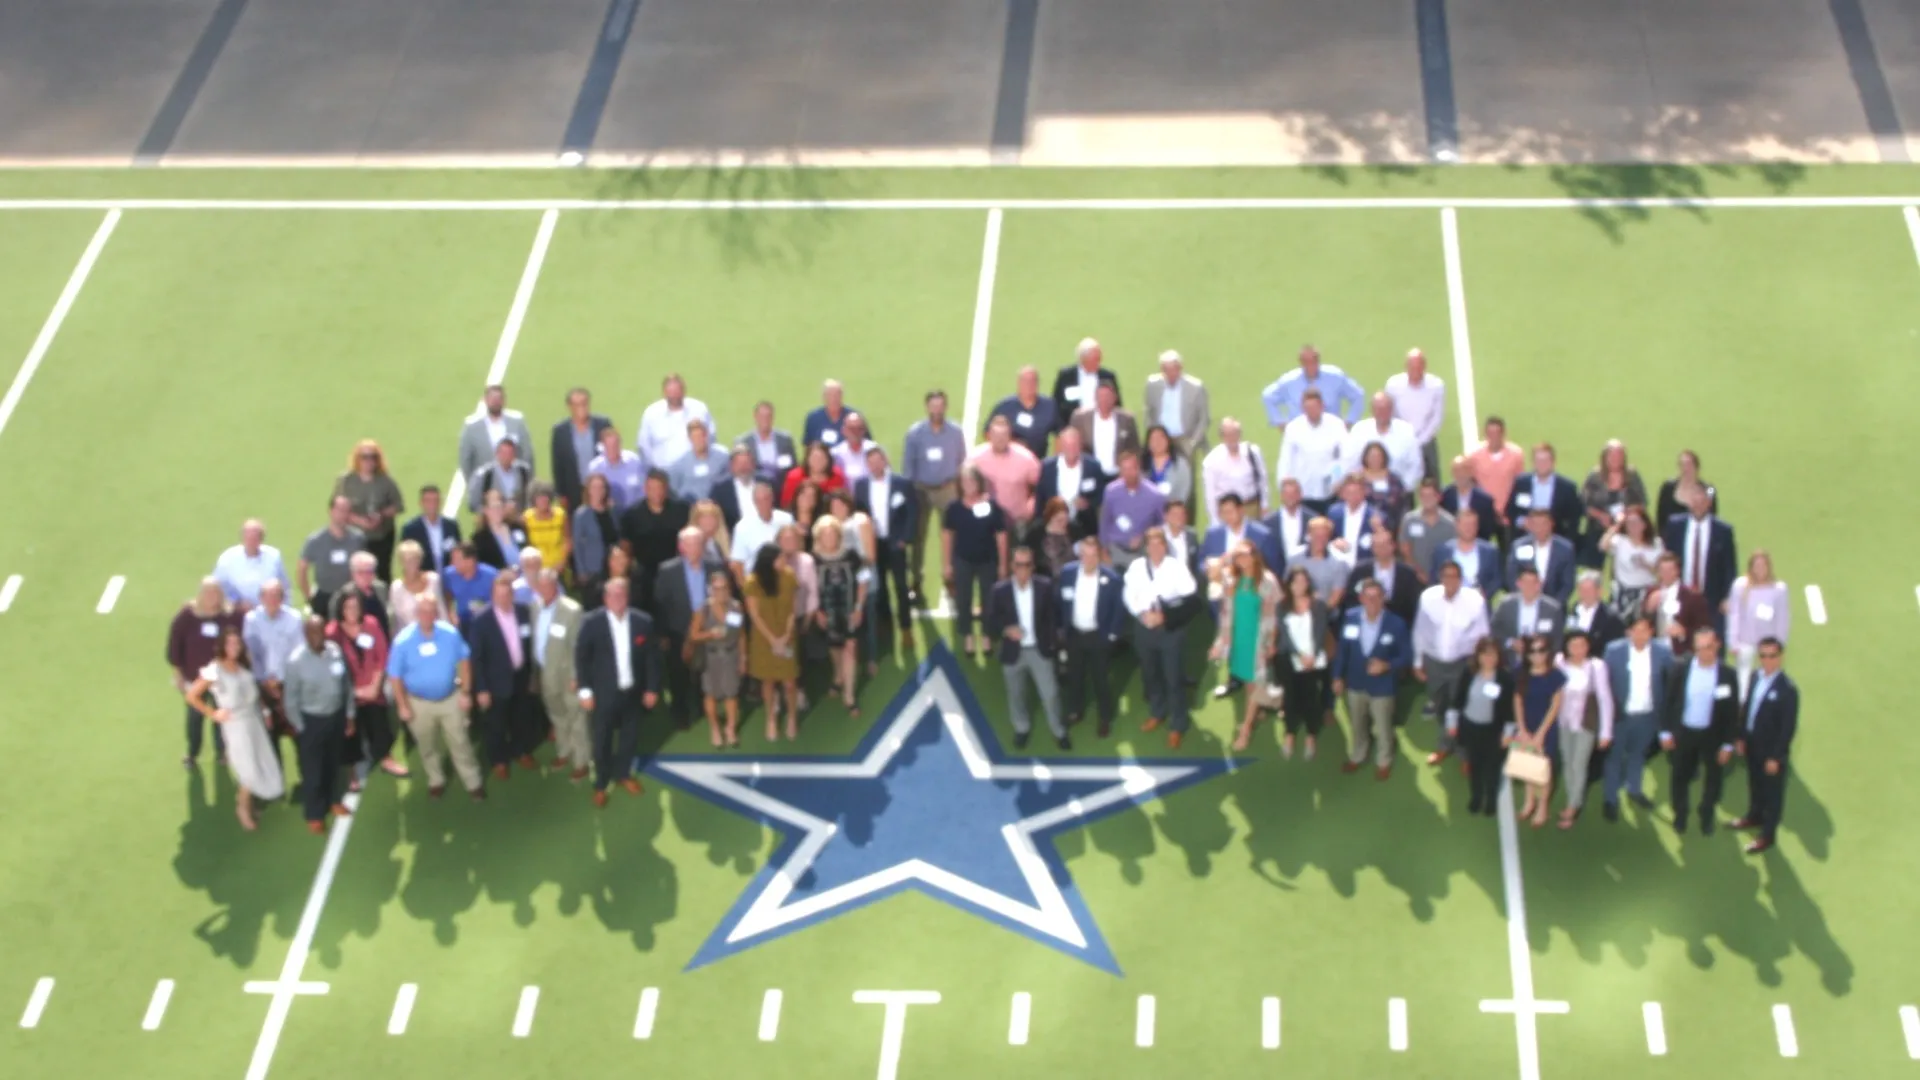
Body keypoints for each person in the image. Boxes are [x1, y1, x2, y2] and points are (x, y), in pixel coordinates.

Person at [386, 592, 484, 801]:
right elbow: (395, 676)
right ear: (416, 614)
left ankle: (473, 781)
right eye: (422, 611)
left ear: (437, 613)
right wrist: (402, 705)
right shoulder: (403, 641)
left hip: (450, 698)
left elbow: (465, 662)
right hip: (418, 703)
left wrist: (466, 692)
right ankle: (436, 780)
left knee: (460, 742)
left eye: (431, 612)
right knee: (427, 745)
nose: (427, 616)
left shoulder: (450, 633)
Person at [573, 577, 661, 806]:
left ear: (627, 597)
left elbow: (652, 658)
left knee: (629, 738)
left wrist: (652, 688)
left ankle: (623, 774)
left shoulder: (643, 622)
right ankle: (601, 784)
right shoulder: (592, 622)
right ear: (605, 598)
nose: (617, 599)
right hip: (603, 695)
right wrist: (585, 691)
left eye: (621, 595)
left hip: (632, 693)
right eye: (612, 595)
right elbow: (581, 659)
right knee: (601, 741)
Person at [185, 626, 285, 828]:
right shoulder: (215, 668)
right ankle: (242, 807)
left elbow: (255, 694)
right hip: (236, 724)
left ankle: (250, 803)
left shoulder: (242, 667)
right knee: (247, 767)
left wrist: (264, 712)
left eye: (237, 643)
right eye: (230, 643)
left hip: (253, 720)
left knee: (258, 760)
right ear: (222, 645)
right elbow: (192, 695)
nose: (234, 647)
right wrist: (213, 713)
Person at [1124, 527, 1202, 749]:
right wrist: (1141, 614)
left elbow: (1190, 597)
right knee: (1150, 674)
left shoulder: (1176, 568)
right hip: (1144, 628)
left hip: (1169, 630)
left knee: (1173, 677)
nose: (1155, 548)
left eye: (1159, 544)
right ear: (1146, 547)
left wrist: (1164, 617)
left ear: (1165, 546)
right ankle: (1157, 712)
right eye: (1151, 544)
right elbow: (1129, 594)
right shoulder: (1137, 567)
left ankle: (1178, 724)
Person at [1659, 627, 1739, 835]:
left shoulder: (1727, 674)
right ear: (1694, 648)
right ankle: (1681, 814)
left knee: (1714, 778)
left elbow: (1732, 712)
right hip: (1684, 732)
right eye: (1700, 648)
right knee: (1679, 776)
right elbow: (1669, 701)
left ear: (1717, 646)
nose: (1705, 652)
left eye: (1709, 647)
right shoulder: (1681, 668)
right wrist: (1665, 732)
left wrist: (1728, 744)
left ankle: (1707, 814)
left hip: (1712, 735)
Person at [987, 545, 1068, 750]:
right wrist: (1006, 630)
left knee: (1050, 694)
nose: (1023, 569)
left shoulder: (1045, 587)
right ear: (1012, 566)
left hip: (1039, 650)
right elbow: (990, 622)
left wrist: (1054, 642)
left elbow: (1055, 617)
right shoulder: (1000, 591)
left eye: (1027, 565)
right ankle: (1021, 728)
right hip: (1013, 652)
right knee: (1016, 694)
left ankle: (1059, 730)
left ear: (1033, 567)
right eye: (1019, 565)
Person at [282, 614, 356, 833]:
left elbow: (346, 684)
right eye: (312, 632)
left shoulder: (334, 651)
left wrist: (349, 714)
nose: (317, 636)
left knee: (333, 764)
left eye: (320, 631)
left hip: (335, 717)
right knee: (313, 771)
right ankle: (314, 814)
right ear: (305, 634)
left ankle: (334, 801)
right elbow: (290, 699)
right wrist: (301, 726)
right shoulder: (296, 661)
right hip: (311, 721)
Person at [1333, 576, 1413, 777]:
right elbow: (1343, 650)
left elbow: (1407, 656)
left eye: (1377, 597)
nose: (1373, 602)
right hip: (1355, 683)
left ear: (1384, 598)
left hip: (1383, 686)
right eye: (1368, 597)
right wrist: (1337, 677)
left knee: (1383, 726)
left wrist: (1386, 665)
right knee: (1357, 724)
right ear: (1361, 599)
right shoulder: (1351, 617)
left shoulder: (1396, 624)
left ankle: (1384, 760)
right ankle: (1358, 755)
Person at [1413, 560, 1490, 765]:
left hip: (1462, 663)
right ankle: (1445, 745)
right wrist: (1417, 661)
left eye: (1454, 576)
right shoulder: (1428, 598)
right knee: (1441, 707)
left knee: (1462, 708)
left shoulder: (1475, 601)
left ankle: (1465, 753)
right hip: (1434, 663)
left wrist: (1482, 666)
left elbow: (1483, 635)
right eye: (1446, 576)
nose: (1450, 581)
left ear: (1461, 579)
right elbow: (1420, 630)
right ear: (1440, 578)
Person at [1601, 615, 1674, 822]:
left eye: (1645, 630)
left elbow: (1671, 682)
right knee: (1614, 758)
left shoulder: (1663, 652)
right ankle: (1610, 799)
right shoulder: (1613, 651)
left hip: (1647, 716)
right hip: (1620, 716)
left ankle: (1634, 789)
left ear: (1652, 632)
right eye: (1636, 630)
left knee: (1638, 755)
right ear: (1628, 632)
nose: (1640, 635)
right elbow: (1605, 683)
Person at [649, 526, 721, 729]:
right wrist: (662, 633)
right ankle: (680, 712)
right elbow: (660, 603)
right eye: (689, 544)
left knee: (704, 672)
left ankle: (702, 708)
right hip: (677, 631)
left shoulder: (715, 566)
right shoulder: (667, 570)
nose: (694, 548)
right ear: (681, 547)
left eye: (698, 543)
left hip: (707, 630)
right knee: (678, 674)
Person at [468, 572, 539, 779]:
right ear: (492, 596)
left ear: (513, 594)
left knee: (521, 717)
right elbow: (477, 658)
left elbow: (529, 643)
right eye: (499, 595)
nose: (504, 599)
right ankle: (499, 760)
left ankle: (520, 751)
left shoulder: (523, 612)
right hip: (495, 682)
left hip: (520, 676)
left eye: (507, 594)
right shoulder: (482, 621)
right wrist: (481, 688)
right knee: (495, 724)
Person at [1731, 637, 1797, 854]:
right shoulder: (1755, 677)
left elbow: (1787, 729)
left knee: (1773, 794)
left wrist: (1775, 757)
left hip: (1770, 752)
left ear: (1781, 657)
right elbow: (1747, 708)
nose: (1767, 661)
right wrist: (1741, 737)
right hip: (1752, 744)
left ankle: (1767, 836)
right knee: (1755, 784)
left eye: (1772, 656)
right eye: (1763, 656)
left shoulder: (1787, 690)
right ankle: (1754, 816)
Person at [169, 577, 243, 767]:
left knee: (222, 717)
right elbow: (175, 645)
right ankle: (192, 753)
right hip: (196, 680)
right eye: (208, 592)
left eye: (216, 592)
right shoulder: (188, 615)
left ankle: (222, 753)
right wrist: (178, 674)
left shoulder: (231, 616)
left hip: (223, 679)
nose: (212, 597)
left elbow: (242, 642)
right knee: (195, 718)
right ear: (200, 594)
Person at [902, 389, 968, 603]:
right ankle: (916, 582)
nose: (937, 410)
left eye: (940, 406)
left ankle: (951, 581)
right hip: (921, 490)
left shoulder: (955, 432)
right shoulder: (915, 433)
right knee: (918, 538)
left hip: (948, 488)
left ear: (945, 408)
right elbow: (908, 466)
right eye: (933, 406)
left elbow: (962, 461)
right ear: (927, 407)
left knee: (952, 536)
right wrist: (910, 494)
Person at [1214, 540, 1281, 749]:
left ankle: (1245, 730)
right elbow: (1213, 573)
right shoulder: (1232, 578)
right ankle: (1259, 708)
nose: (1242, 560)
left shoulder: (1267, 580)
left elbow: (1273, 615)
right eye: (1238, 556)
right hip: (1238, 638)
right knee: (1247, 680)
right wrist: (1228, 555)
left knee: (1256, 680)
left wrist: (1271, 642)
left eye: (1246, 554)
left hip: (1257, 639)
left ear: (1255, 555)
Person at [1056, 535, 1124, 736]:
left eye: (1094, 555)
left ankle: (1104, 717)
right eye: (1085, 555)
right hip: (1075, 635)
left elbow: (1118, 611)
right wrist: (1062, 629)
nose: (1089, 560)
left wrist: (1111, 636)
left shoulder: (1112, 579)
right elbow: (1060, 601)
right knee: (1075, 676)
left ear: (1100, 556)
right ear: (1080, 555)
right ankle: (1075, 711)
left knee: (1100, 679)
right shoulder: (1067, 573)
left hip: (1098, 637)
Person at [330, 589, 400, 780]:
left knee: (378, 719)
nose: (352, 611)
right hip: (349, 693)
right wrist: (355, 693)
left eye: (356, 606)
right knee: (349, 728)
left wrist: (375, 687)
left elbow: (382, 655)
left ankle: (386, 757)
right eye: (347, 607)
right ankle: (352, 773)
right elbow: (333, 670)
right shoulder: (333, 633)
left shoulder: (371, 624)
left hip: (372, 687)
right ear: (340, 609)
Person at [1268, 566, 1334, 760]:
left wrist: (1312, 655)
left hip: (1313, 659)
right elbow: (1285, 636)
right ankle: (1290, 734)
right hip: (1289, 659)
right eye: (1296, 582)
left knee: (1311, 696)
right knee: (1290, 697)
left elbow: (1321, 631)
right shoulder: (1282, 606)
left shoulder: (1318, 605)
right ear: (1289, 584)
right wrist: (1300, 655)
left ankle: (1311, 736)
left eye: (1304, 581)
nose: (1300, 586)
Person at [530, 568, 589, 781]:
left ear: (556, 586)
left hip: (567, 676)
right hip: (546, 675)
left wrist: (576, 676)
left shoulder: (572, 610)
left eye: (548, 585)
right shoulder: (535, 606)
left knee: (576, 718)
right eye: (541, 585)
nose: (544, 589)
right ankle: (564, 752)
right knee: (557, 717)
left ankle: (581, 761)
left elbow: (577, 646)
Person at [1445, 637, 1515, 817]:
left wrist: (1507, 733)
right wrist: (1452, 722)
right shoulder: (1469, 673)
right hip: (1471, 728)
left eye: (1493, 654)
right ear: (1478, 656)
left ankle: (1491, 799)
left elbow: (1509, 710)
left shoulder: (1505, 679)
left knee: (1492, 768)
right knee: (1475, 766)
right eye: (1485, 654)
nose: (1488, 659)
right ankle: (1476, 797)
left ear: (1499, 657)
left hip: (1493, 731)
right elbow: (1458, 700)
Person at [855, 446, 916, 652]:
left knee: (901, 587)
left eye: (878, 461)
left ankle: (906, 628)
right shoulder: (861, 485)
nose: (875, 465)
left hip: (895, 543)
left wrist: (904, 539)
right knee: (880, 589)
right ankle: (887, 629)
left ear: (885, 461)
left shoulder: (902, 483)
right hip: (874, 544)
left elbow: (912, 512)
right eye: (870, 462)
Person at [943, 466, 1009, 656]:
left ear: (979, 483)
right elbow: (947, 535)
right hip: (962, 560)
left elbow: (1001, 536)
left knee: (989, 600)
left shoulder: (991, 506)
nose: (968, 485)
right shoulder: (954, 508)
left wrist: (1003, 564)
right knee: (963, 600)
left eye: (972, 481)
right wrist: (947, 564)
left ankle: (987, 637)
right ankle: (968, 637)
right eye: (964, 482)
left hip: (987, 560)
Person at [1554, 629, 1612, 829]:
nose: (1578, 649)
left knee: (1579, 764)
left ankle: (1573, 805)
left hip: (1585, 724)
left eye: (1582, 645)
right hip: (1563, 723)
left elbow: (1605, 699)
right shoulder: (1559, 663)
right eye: (1573, 645)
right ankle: (1573, 797)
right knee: (1567, 761)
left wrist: (1606, 731)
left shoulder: (1596, 667)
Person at [744, 546, 802, 741]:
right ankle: (770, 718)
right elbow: (754, 614)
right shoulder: (753, 582)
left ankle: (792, 717)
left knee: (790, 682)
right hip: (764, 639)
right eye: (780, 559)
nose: (783, 562)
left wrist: (786, 635)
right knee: (767, 681)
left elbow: (793, 609)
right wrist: (772, 640)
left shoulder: (789, 576)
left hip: (786, 636)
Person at [811, 517, 869, 714]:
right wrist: (817, 611)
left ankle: (849, 695)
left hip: (849, 610)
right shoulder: (813, 559)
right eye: (825, 534)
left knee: (850, 647)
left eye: (833, 533)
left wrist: (859, 606)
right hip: (827, 612)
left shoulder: (851, 556)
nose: (829, 537)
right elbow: (809, 588)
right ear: (818, 537)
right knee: (834, 647)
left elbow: (863, 581)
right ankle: (838, 674)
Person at [687, 570, 747, 747]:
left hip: (731, 655)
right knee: (711, 695)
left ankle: (730, 728)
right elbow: (694, 636)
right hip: (711, 656)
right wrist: (710, 634)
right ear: (710, 590)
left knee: (732, 694)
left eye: (724, 588)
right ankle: (714, 728)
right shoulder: (703, 610)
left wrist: (743, 658)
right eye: (717, 588)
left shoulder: (736, 607)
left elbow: (741, 635)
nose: (721, 592)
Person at [1511, 634, 1565, 828]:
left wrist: (1541, 733)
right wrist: (1523, 729)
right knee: (1527, 765)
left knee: (1544, 769)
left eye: (1541, 650)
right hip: (1526, 726)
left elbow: (1555, 705)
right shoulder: (1520, 672)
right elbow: (1517, 700)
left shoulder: (1555, 675)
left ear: (1548, 652)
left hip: (1546, 728)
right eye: (1532, 651)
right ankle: (1529, 801)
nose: (1536, 655)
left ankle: (1542, 807)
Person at [335, 440, 404, 583]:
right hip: (353, 537)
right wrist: (358, 520)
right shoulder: (346, 481)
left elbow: (398, 505)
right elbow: (337, 507)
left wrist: (381, 515)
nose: (369, 461)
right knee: (353, 573)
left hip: (381, 537)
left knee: (382, 573)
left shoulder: (385, 481)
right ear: (357, 458)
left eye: (373, 457)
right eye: (365, 457)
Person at [1661, 487, 1738, 615]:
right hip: (1679, 599)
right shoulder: (1675, 526)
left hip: (1712, 601)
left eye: (1702, 502)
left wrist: (1728, 597)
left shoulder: (1723, 531)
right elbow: (1667, 559)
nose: (1698, 506)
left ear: (1709, 503)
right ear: (1689, 502)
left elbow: (1729, 567)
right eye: (1695, 502)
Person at [243, 579, 305, 737]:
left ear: (283, 598)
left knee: (295, 727)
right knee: (269, 730)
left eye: (277, 595)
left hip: (288, 682)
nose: (272, 600)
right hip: (262, 682)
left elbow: (298, 652)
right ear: (261, 598)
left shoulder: (294, 618)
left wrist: (282, 680)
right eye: (268, 596)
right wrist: (266, 680)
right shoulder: (252, 619)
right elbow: (252, 652)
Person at [618, 471, 690, 600]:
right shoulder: (632, 514)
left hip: (674, 569)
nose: (656, 492)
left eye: (659, 488)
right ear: (645, 489)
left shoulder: (681, 510)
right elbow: (625, 545)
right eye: (651, 488)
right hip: (644, 572)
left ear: (666, 489)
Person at [1726, 550, 1789, 696]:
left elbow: (1783, 618)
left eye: (1763, 566)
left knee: (1768, 681)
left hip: (1768, 645)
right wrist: (1733, 641)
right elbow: (1734, 614)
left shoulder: (1778, 589)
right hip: (1746, 643)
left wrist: (1779, 643)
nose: (1760, 569)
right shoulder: (1740, 586)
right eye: (1757, 566)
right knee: (1743, 683)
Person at [1276, 389, 1347, 516]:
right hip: (1304, 491)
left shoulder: (1336, 425)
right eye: (1307, 408)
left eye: (1314, 407)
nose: (1311, 411)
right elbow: (1286, 459)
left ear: (1322, 406)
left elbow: (1343, 456)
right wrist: (1284, 486)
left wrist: (1339, 480)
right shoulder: (1293, 428)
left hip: (1331, 490)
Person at [1577, 439, 1647, 567]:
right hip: (1597, 529)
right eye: (1612, 455)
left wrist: (1625, 516)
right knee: (1594, 565)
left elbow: (1641, 502)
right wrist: (1600, 516)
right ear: (1604, 457)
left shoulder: (1632, 476)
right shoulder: (1594, 477)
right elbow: (1584, 503)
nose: (1616, 459)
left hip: (1626, 530)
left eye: (1619, 455)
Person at [1260, 344, 1365, 427]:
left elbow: (1358, 395)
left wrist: (1349, 421)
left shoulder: (1335, 377)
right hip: (1300, 434)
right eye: (1306, 362)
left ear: (1318, 360)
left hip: (1331, 432)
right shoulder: (1289, 381)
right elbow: (1268, 396)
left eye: (1313, 361)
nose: (1310, 365)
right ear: (1300, 363)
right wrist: (1280, 422)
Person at [1383, 348, 1446, 485]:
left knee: (1432, 480)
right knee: (1400, 479)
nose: (1416, 371)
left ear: (1425, 366)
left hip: (1426, 440)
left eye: (1419, 367)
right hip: (1401, 439)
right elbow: (1390, 413)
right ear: (1406, 367)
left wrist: (1420, 440)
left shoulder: (1436, 385)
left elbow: (1436, 418)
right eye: (1412, 367)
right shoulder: (1393, 385)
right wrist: (1404, 437)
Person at [1097, 449, 1166, 573]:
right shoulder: (1111, 492)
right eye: (1124, 469)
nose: (1128, 473)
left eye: (1131, 469)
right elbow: (1104, 522)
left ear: (1138, 468)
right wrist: (1103, 550)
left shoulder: (1154, 495)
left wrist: (1144, 537)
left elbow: (1161, 525)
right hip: (1116, 550)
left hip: (1143, 552)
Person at [969, 415, 1041, 533]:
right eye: (996, 435)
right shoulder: (976, 458)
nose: (1000, 440)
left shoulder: (1026, 459)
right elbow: (964, 486)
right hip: (985, 519)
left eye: (1004, 435)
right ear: (989, 435)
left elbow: (1041, 485)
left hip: (1017, 521)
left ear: (1010, 436)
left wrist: (1031, 506)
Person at [298, 495, 365, 618]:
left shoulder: (358, 539)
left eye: (347, 511)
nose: (343, 515)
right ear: (331, 511)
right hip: (324, 596)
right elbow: (302, 568)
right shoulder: (316, 540)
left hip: (350, 597)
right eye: (340, 510)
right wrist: (308, 596)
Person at [1341, 392, 1422, 492]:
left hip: (1398, 493)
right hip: (1365, 494)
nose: (1382, 412)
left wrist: (1402, 488)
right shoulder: (1359, 430)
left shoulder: (1406, 430)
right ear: (1372, 410)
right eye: (1378, 408)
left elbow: (1416, 465)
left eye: (1386, 408)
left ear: (1392, 409)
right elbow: (1349, 462)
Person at [1037, 426, 1106, 540]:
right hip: (1053, 527)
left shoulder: (1093, 467)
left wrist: (1087, 503)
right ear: (1061, 446)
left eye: (1074, 445)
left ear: (1080, 445)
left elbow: (1100, 496)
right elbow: (1040, 498)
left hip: (1083, 527)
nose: (1071, 450)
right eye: (1067, 446)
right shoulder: (1047, 467)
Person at [550, 387, 612, 511]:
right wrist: (561, 494)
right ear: (569, 406)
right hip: (574, 490)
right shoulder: (560, 431)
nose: (582, 407)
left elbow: (611, 453)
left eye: (584, 403)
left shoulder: (602, 424)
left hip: (600, 489)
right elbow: (558, 464)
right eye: (577, 404)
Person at [457, 384, 535, 482]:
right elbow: (465, 460)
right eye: (492, 399)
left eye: (499, 398)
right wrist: (474, 485)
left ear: (504, 401)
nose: (496, 402)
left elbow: (527, 453)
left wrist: (527, 480)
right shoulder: (471, 426)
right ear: (485, 400)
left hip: (515, 484)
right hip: (485, 485)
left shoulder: (517, 422)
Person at [1143, 350, 1211, 460]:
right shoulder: (1152, 385)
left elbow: (1204, 419)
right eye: (1166, 370)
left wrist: (1192, 443)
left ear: (1180, 368)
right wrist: (1153, 438)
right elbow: (1148, 412)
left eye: (1173, 369)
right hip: (1162, 440)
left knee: (1185, 475)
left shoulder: (1195, 388)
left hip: (1185, 440)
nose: (1170, 374)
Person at [1203, 494, 1280, 589]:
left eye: (1230, 511)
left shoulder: (1262, 535)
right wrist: (1211, 568)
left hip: (1255, 592)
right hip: (1224, 593)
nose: (1227, 516)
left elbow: (1274, 566)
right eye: (1223, 512)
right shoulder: (1213, 535)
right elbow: (1201, 563)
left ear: (1241, 510)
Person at [636, 373, 713, 469]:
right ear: (664, 392)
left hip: (693, 470)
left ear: (683, 390)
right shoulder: (652, 414)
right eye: (670, 392)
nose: (674, 396)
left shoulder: (699, 409)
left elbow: (711, 438)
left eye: (677, 391)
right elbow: (644, 446)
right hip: (663, 473)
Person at [1464, 417, 1527, 535]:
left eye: (1496, 433)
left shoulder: (1516, 455)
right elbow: (1472, 483)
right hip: (1483, 513)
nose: (1493, 437)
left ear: (1503, 433)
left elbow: (1519, 483)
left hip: (1506, 513)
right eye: (1490, 433)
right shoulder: (1475, 456)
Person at [1347, 528, 1420, 627]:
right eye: (1377, 546)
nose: (1381, 549)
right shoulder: (1360, 571)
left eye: (1384, 545)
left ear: (1393, 546)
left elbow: (1412, 604)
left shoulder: (1407, 573)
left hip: (1398, 624)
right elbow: (1352, 597)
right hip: (1365, 622)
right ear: (1372, 548)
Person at [1510, 443, 1582, 543]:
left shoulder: (1567, 488)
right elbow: (1510, 510)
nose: (1542, 465)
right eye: (1538, 461)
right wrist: (1522, 522)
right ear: (1533, 463)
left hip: (1555, 539)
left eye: (1545, 461)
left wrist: (1566, 542)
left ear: (1553, 462)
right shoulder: (1521, 483)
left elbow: (1574, 518)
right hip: (1525, 537)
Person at [1200, 417, 1269, 519]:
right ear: (1222, 436)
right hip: (1228, 512)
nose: (1232, 438)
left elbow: (1262, 481)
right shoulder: (1211, 461)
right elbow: (1210, 495)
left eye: (1235, 433)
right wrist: (1215, 521)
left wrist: (1265, 505)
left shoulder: (1253, 453)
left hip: (1251, 507)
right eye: (1228, 435)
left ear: (1240, 434)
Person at [1600, 505, 1662, 618]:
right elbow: (1603, 545)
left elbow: (1661, 572)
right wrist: (1617, 525)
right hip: (1623, 591)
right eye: (1629, 523)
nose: (1633, 526)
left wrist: (1646, 565)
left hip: (1646, 591)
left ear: (1644, 524)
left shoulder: (1656, 544)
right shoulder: (1620, 541)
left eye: (1636, 522)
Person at [1069, 381, 1141, 478]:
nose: (1104, 400)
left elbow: (1134, 448)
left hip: (1118, 475)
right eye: (1100, 396)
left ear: (1115, 398)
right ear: (1095, 397)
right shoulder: (1080, 418)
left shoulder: (1126, 419)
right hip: (1091, 474)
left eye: (1107, 396)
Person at [213, 519, 290, 609]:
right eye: (248, 537)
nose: (251, 541)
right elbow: (217, 587)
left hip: (268, 610)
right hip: (237, 611)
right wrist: (237, 602)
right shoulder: (227, 558)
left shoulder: (274, 556)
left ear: (261, 539)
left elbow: (284, 586)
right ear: (242, 537)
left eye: (255, 537)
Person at [1508, 507, 1578, 605]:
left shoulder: (1565, 549)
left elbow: (1568, 584)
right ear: (1530, 525)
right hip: (1524, 604)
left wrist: (1553, 607)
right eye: (1536, 525)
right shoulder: (1519, 546)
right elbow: (1512, 577)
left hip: (1554, 608)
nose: (1540, 529)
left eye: (1543, 524)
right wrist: (1525, 599)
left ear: (1551, 524)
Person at [986, 365, 1057, 458]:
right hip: (1008, 459)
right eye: (1025, 381)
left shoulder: (1049, 406)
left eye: (1033, 381)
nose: (1029, 385)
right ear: (1019, 382)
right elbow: (988, 432)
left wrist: (1055, 457)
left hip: (1038, 460)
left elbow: (1060, 433)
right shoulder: (1005, 406)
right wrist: (1011, 445)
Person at [729, 480, 793, 582]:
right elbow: (737, 563)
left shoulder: (787, 519)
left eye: (766, 499)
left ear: (772, 498)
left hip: (784, 579)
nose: (763, 503)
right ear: (754, 502)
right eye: (759, 500)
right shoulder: (742, 527)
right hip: (756, 582)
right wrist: (746, 592)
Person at [1645, 551, 1713, 649]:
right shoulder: (1651, 593)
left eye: (1670, 570)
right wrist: (1649, 608)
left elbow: (1704, 628)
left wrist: (1684, 632)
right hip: (1656, 650)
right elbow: (1641, 625)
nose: (1666, 574)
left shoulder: (1692, 596)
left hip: (1682, 651)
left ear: (1677, 571)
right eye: (1662, 570)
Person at [1051, 337, 1122, 429]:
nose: (1098, 362)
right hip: (1073, 431)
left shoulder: (1108, 377)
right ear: (1083, 359)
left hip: (1102, 428)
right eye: (1095, 359)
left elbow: (1117, 406)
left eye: (1099, 358)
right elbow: (1056, 405)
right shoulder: (1066, 377)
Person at [1431, 507, 1502, 598]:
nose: (1468, 528)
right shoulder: (1442, 551)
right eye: (1465, 525)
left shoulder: (1490, 551)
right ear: (1457, 525)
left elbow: (1497, 579)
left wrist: (1484, 595)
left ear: (1477, 527)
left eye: (1472, 525)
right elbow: (1435, 578)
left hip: (1478, 605)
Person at [1398, 478, 1456, 585]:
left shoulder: (1450, 523)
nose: (1427, 499)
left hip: (1443, 580)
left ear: (1439, 497)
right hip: (1415, 577)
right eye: (1423, 495)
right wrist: (1418, 573)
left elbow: (1454, 551)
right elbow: (1405, 549)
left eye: (1430, 496)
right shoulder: (1410, 520)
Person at [400, 484, 462, 577]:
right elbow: (406, 558)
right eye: (428, 501)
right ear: (421, 503)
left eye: (435, 500)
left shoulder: (451, 526)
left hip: (450, 579)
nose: (432, 504)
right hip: (424, 581)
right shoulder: (410, 529)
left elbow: (459, 552)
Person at [665, 418, 730, 502]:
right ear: (689, 439)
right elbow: (673, 490)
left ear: (706, 435)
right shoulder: (679, 465)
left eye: (701, 436)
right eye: (695, 437)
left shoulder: (722, 459)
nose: (699, 441)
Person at [571, 473, 620, 583]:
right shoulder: (581, 515)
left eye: (601, 487)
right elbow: (577, 545)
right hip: (593, 569)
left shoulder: (613, 512)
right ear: (588, 490)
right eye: (594, 487)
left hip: (613, 567)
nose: (598, 491)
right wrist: (581, 571)